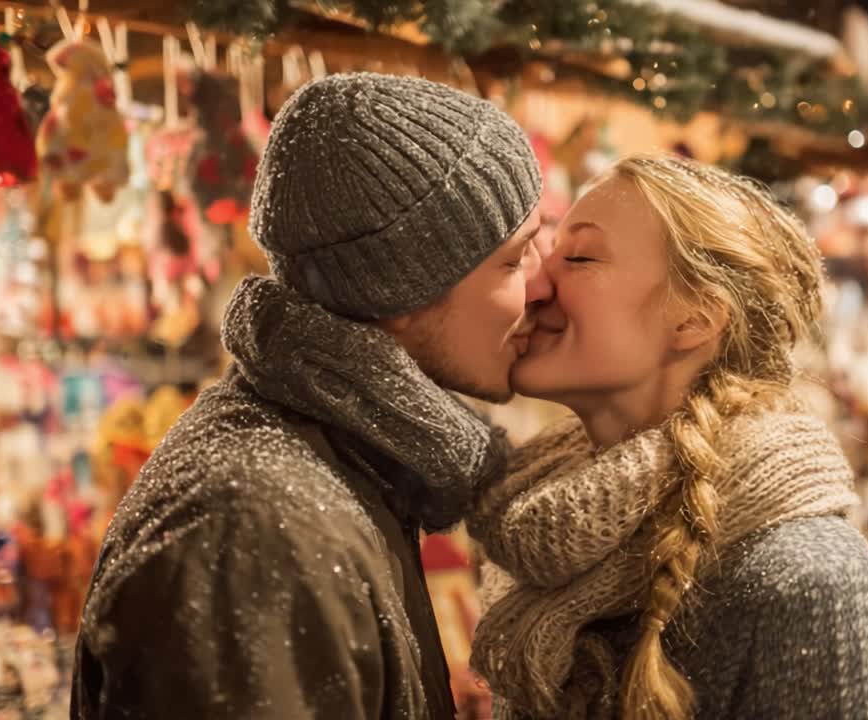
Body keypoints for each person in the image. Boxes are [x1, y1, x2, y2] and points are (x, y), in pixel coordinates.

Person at [71, 73, 548, 719]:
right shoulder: (253, 526)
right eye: (514, 262)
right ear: (399, 292)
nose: (542, 288)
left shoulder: (345, 460)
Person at [468, 154, 868, 719]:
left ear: (694, 319)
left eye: (579, 256)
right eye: (546, 253)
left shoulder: (812, 582)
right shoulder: (543, 545)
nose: (534, 284)